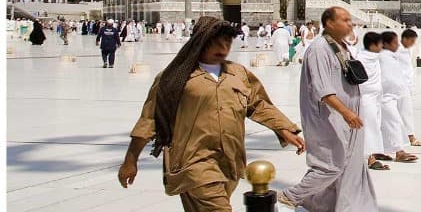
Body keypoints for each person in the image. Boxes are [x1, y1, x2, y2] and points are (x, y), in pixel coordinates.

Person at [118, 17, 304, 212]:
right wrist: (130, 160)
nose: (223, 49)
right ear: (200, 42)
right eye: (215, 43)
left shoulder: (237, 73)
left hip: (230, 162)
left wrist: (284, 128)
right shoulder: (176, 77)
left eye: (227, 43)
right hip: (193, 163)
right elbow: (149, 120)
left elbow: (258, 104)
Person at [280, 6, 378, 212]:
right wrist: (346, 112)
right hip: (328, 117)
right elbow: (322, 89)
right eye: (344, 20)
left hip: (347, 118)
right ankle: (291, 196)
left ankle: (338, 207)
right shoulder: (319, 49)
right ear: (329, 23)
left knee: (351, 166)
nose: (350, 24)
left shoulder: (340, 46)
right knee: (330, 166)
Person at [378, 31, 416, 163]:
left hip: (393, 95)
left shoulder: (391, 57)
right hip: (384, 96)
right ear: (386, 44)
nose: (397, 45)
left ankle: (378, 151)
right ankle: (399, 152)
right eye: (394, 43)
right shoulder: (381, 56)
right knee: (393, 121)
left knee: (384, 124)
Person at [354, 32, 389, 171]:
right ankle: (370, 158)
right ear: (373, 45)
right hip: (365, 97)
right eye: (380, 44)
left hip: (376, 97)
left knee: (375, 125)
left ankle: (373, 153)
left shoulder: (373, 56)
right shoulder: (361, 58)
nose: (382, 46)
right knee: (369, 126)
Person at [397, 29, 421, 147]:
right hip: (398, 86)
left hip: (405, 86)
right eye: (412, 41)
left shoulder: (407, 50)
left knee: (404, 112)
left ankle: (407, 137)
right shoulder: (396, 50)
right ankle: (411, 138)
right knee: (405, 112)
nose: (413, 44)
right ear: (405, 39)